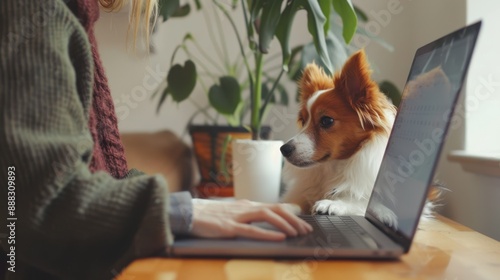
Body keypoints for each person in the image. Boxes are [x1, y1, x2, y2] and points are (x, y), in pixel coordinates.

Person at [0, 0, 312, 279]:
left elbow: (96, 177)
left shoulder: (72, 15)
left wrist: (196, 208)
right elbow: (37, 205)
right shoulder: (34, 11)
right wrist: (179, 211)